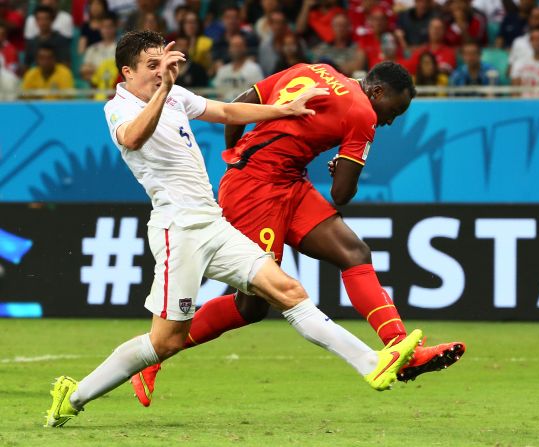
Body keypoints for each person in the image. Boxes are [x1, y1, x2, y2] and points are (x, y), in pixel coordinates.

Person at [45, 31, 424, 427]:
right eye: (151, 66)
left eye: (164, 63)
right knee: (164, 341)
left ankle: (372, 363)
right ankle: (73, 396)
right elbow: (134, 138)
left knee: (289, 291)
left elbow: (228, 112)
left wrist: (285, 110)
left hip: (212, 222)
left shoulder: (174, 95)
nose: (161, 72)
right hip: (179, 231)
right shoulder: (118, 108)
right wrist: (165, 90)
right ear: (127, 72)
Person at [128, 60, 465, 407]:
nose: (390, 121)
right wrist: (339, 168)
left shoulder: (317, 69)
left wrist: (236, 152)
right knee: (252, 305)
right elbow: (341, 194)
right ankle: (150, 357)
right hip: (255, 191)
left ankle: (400, 347)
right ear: (377, 92)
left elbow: (245, 99)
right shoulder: (363, 114)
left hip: (286, 181)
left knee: (354, 253)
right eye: (393, 111)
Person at [214, 34, 265, 100]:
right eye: (234, 46)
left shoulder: (254, 69)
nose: (237, 49)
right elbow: (218, 93)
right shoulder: (222, 70)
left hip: (245, 106)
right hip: (224, 106)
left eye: (239, 46)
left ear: (245, 48)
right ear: (229, 49)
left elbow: (258, 93)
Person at [80, 14, 117, 85]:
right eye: (104, 27)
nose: (107, 30)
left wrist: (95, 69)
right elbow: (83, 71)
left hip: (114, 86)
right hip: (95, 87)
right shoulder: (92, 48)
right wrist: (103, 70)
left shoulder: (122, 48)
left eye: (109, 27)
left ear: (115, 28)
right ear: (100, 29)